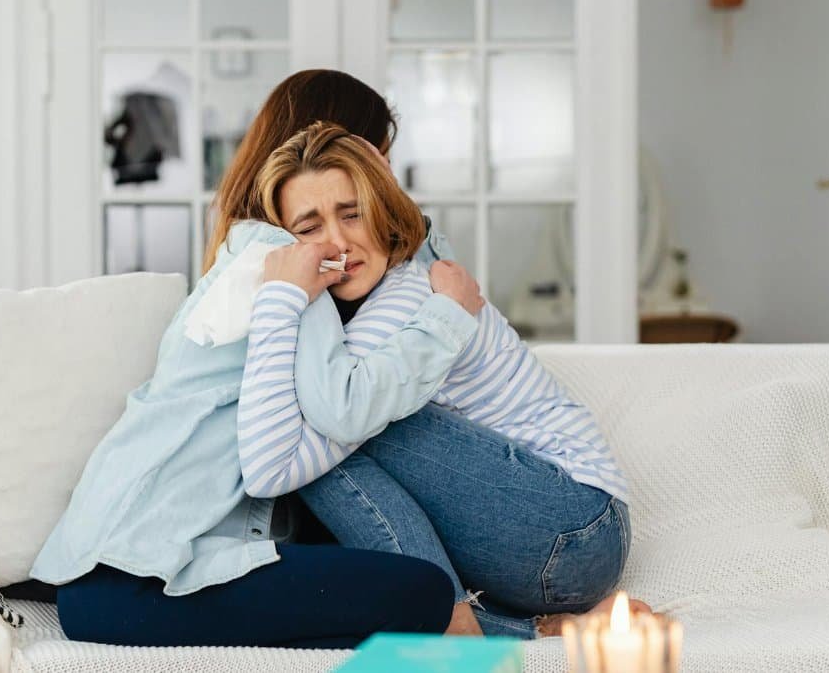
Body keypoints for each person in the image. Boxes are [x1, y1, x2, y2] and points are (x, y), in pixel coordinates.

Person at [238, 121, 643, 638]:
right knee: (335, 432)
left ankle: (451, 625)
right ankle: (533, 629)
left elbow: (273, 465)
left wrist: (280, 300)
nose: (338, 242)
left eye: (352, 212)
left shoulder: (406, 297)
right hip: (548, 543)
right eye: (310, 227)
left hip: (574, 521)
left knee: (335, 429)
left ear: (381, 209)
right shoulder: (359, 313)